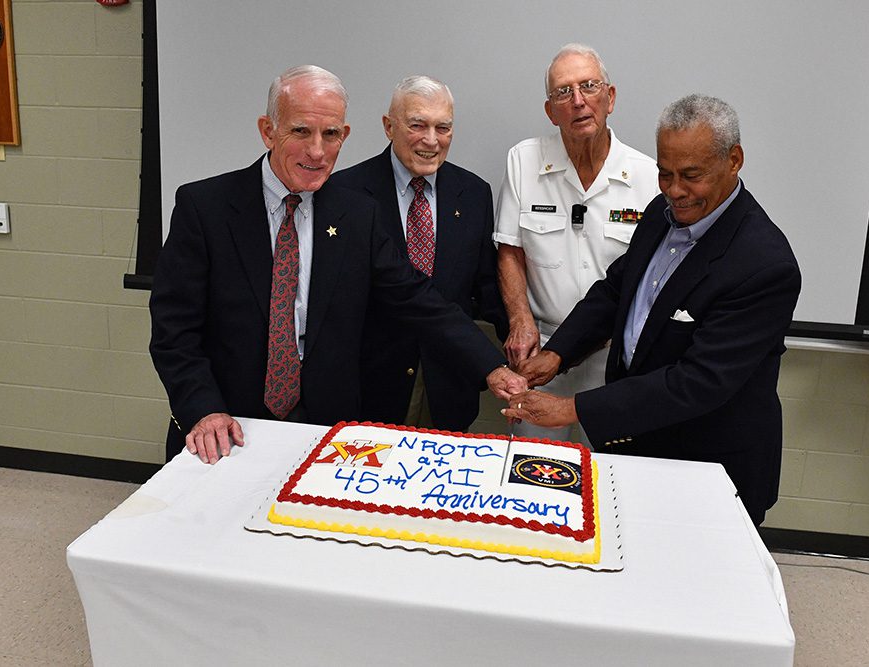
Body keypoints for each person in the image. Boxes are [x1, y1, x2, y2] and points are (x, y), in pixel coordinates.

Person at [149, 65, 525, 464]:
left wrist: (492, 367)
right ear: (268, 130)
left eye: (330, 135)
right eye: (300, 131)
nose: (317, 151)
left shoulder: (358, 215)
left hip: (328, 432)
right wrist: (204, 407)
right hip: (226, 426)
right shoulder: (205, 208)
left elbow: (417, 298)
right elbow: (175, 329)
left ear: (344, 136)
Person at [503, 94, 801, 525]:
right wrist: (558, 352)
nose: (674, 190)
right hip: (634, 451)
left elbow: (697, 383)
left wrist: (572, 410)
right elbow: (616, 291)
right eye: (665, 173)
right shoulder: (662, 215)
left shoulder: (764, 265)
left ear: (734, 160)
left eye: (691, 175)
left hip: (708, 468)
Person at [493, 43, 658, 446]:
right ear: (551, 110)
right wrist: (519, 320)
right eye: (564, 92)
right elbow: (510, 250)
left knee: (602, 476)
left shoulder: (648, 176)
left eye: (589, 86)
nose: (579, 101)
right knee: (532, 476)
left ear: (610, 98)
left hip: (614, 357)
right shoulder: (524, 160)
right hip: (541, 352)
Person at [329, 76, 507, 431]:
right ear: (388, 127)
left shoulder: (473, 193)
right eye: (417, 125)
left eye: (443, 127)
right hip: (369, 385)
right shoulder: (344, 193)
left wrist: (517, 343)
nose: (431, 140)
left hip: (448, 384)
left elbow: (486, 285)